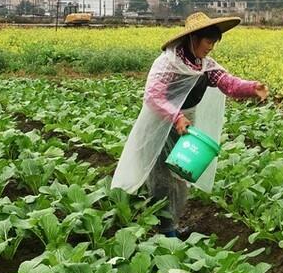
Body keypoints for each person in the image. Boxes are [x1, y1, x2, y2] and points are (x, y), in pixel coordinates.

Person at [110, 12, 268, 237]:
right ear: (193, 38)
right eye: (208, 41)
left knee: (181, 175)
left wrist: (252, 88)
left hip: (185, 127)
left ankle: (171, 224)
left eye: (214, 42)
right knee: (162, 177)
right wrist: (175, 117)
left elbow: (229, 84)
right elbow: (153, 96)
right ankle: (162, 229)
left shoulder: (205, 65)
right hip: (162, 125)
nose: (211, 47)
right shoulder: (168, 62)